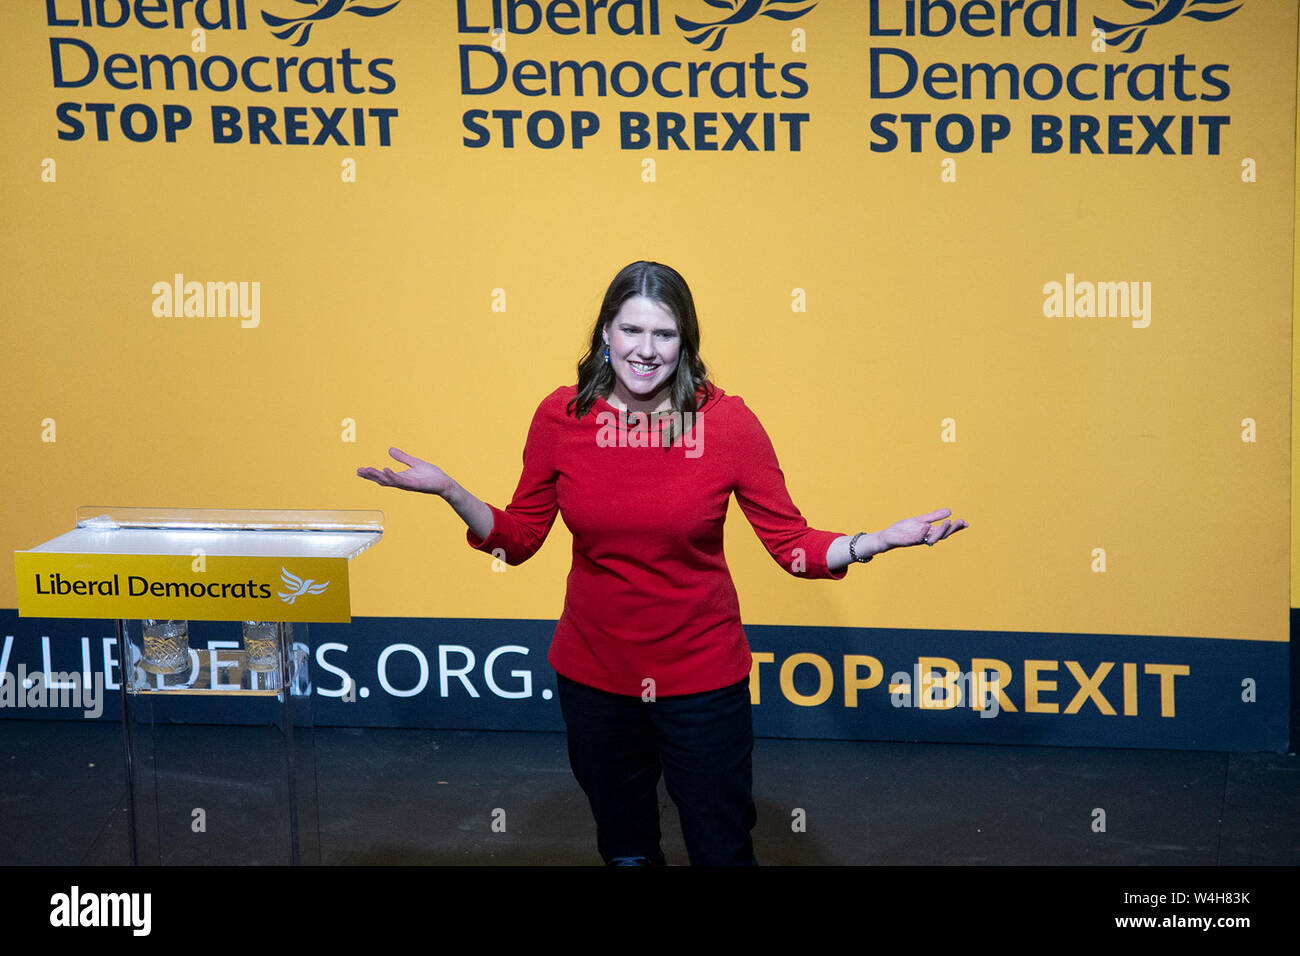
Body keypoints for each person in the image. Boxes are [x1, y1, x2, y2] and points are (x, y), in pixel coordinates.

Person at [356, 260, 967, 865]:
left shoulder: (728, 424)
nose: (645, 350)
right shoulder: (561, 417)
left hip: (701, 683)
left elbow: (793, 546)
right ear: (605, 333)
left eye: (664, 334)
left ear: (685, 343)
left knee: (721, 850)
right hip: (594, 680)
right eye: (632, 330)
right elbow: (515, 541)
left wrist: (874, 541)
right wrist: (452, 493)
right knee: (626, 851)